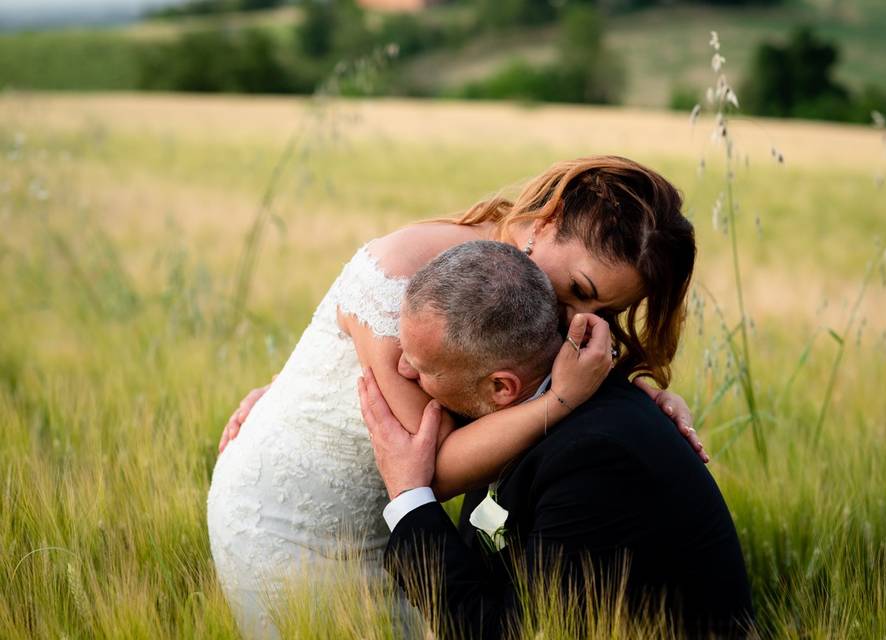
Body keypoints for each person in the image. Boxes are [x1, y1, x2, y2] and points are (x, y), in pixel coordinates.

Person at [208, 156, 702, 638]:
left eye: (604, 308)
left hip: (390, 532)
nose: (577, 319)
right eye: (578, 289)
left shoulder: (521, 286)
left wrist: (641, 403)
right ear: (546, 223)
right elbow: (431, 470)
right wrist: (561, 403)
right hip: (291, 517)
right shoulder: (407, 270)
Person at [359, 241, 754, 639]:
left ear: (501, 387)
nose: (401, 369)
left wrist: (409, 495)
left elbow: (507, 634)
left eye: (422, 366)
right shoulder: (528, 403)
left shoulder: (597, 461)